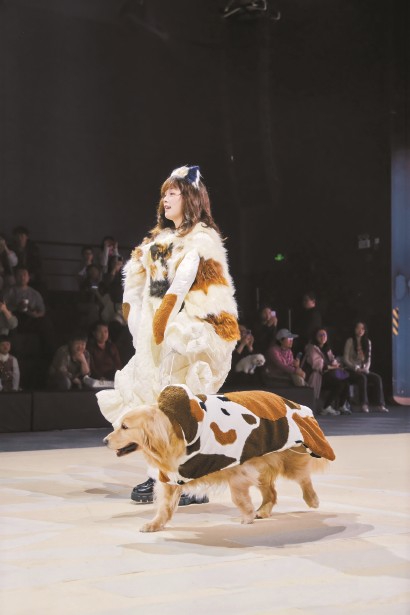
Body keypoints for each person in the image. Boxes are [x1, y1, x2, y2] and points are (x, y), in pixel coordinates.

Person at [96, 165, 240, 505]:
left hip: (184, 334)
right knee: (151, 401)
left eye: (173, 193)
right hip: (154, 334)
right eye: (164, 194)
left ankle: (188, 481)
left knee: (179, 404)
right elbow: (136, 279)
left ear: (190, 198)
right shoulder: (156, 241)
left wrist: (165, 322)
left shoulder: (202, 239)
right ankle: (160, 474)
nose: (166, 199)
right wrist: (136, 318)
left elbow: (189, 284)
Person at [343, 321, 388, 412]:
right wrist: (356, 368)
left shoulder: (368, 342)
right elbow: (345, 359)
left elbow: (369, 359)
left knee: (377, 378)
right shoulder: (350, 341)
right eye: (358, 328)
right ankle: (364, 404)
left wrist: (366, 368)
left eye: (362, 329)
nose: (360, 330)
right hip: (351, 369)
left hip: (363, 369)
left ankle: (380, 404)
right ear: (355, 329)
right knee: (362, 378)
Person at [304, 328, 350, 416]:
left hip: (329, 375)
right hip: (319, 377)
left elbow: (333, 360)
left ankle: (341, 405)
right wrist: (333, 367)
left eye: (324, 335)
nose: (323, 337)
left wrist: (336, 365)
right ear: (315, 337)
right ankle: (326, 407)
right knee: (339, 384)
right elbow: (318, 365)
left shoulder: (327, 349)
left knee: (346, 381)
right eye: (320, 335)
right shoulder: (312, 348)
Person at [85, 321, 122, 387]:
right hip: (97, 378)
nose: (103, 335)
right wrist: (99, 377)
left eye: (105, 332)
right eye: (100, 332)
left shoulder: (111, 346)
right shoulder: (90, 348)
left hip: (112, 375)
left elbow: (118, 364)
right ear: (94, 333)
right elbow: (91, 367)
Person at [11, 226, 43, 290]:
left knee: (41, 281)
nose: (20, 238)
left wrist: (31, 274)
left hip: (30, 273)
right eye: (17, 236)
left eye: (22, 236)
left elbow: (38, 264)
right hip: (16, 274)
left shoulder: (33, 249)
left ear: (27, 237)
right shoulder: (11, 249)